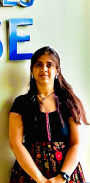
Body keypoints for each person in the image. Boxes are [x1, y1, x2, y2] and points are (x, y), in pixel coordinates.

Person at [8, 46, 88, 183]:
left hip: (66, 174)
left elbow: (77, 144)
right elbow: (15, 143)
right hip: (29, 174)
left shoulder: (69, 102)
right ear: (32, 70)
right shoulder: (21, 103)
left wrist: (62, 177)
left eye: (49, 65)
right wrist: (39, 179)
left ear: (57, 70)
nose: (44, 69)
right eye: (39, 64)